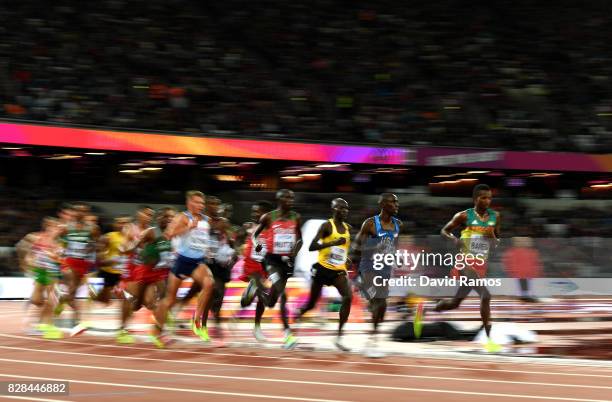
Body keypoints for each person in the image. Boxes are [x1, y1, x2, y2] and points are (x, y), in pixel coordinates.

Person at [415, 184, 502, 353]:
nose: (487, 201)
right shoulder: (464, 216)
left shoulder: (495, 216)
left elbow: (496, 241)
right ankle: (489, 340)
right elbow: (444, 231)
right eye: (483, 197)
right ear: (475, 198)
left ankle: (423, 309)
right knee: (486, 295)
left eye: (489, 198)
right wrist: (455, 240)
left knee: (455, 303)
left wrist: (491, 237)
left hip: (480, 263)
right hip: (464, 261)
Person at [151, 191, 214, 347]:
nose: (200, 206)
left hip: (197, 261)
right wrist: (187, 228)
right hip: (182, 262)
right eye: (197, 202)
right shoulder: (182, 217)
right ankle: (156, 331)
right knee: (169, 300)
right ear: (189, 203)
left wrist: (207, 250)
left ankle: (196, 320)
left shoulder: (206, 220)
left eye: (202, 203)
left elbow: (202, 239)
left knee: (209, 283)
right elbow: (168, 234)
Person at [296, 198, 353, 351]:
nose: (344, 211)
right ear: (333, 209)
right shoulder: (327, 226)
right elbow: (312, 246)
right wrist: (332, 243)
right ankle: (297, 317)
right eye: (341, 208)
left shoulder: (348, 228)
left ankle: (339, 337)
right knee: (311, 304)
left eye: (346, 208)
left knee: (348, 297)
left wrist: (347, 258)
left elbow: (344, 249)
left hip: (338, 270)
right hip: (322, 269)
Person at [352, 193, 402, 358]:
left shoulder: (398, 224)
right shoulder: (371, 224)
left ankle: (373, 338)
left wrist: (397, 256)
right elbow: (356, 248)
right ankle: (372, 342)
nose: (397, 205)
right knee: (378, 302)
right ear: (383, 205)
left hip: (385, 269)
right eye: (393, 202)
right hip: (368, 268)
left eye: (397, 202)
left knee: (383, 307)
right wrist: (374, 248)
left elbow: (392, 247)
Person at [252, 189, 302, 349]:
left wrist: (294, 253)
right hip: (271, 261)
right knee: (283, 295)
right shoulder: (268, 217)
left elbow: (300, 239)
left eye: (292, 198)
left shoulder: (296, 217)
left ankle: (257, 289)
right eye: (287, 198)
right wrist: (257, 245)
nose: (290, 200)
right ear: (279, 200)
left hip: (286, 262)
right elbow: (255, 235)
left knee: (272, 302)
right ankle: (288, 335)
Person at [55, 203, 100, 334]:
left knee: (72, 293)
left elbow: (96, 243)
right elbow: (57, 241)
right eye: (78, 211)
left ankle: (62, 302)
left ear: (86, 213)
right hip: (69, 262)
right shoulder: (66, 227)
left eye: (83, 211)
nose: (80, 214)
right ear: (74, 213)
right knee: (73, 289)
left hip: (83, 264)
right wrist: (60, 250)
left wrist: (91, 248)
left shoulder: (92, 228)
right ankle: (78, 320)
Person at [21, 217, 64, 338]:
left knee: (52, 299)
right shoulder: (38, 238)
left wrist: (53, 255)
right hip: (41, 271)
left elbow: (59, 259)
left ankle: (46, 325)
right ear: (48, 227)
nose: (58, 230)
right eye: (55, 227)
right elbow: (29, 256)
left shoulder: (59, 243)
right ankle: (31, 325)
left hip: (53, 273)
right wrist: (29, 264)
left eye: (59, 228)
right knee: (37, 301)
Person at [239, 201, 274, 341]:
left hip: (265, 267)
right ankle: (254, 286)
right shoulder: (249, 227)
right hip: (251, 265)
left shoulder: (273, 229)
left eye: (257, 212)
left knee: (255, 300)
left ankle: (257, 327)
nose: (254, 214)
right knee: (262, 293)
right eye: (253, 211)